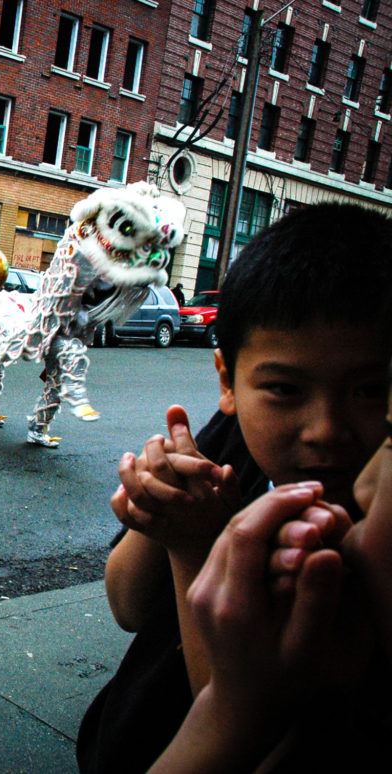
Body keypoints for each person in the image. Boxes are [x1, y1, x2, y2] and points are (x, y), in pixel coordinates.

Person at [76, 202, 392, 774]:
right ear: (229, 381)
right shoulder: (230, 442)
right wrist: (161, 518)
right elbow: (127, 606)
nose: (326, 431)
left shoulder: (374, 540)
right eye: (284, 390)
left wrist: (199, 545)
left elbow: (244, 719)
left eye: (370, 391)